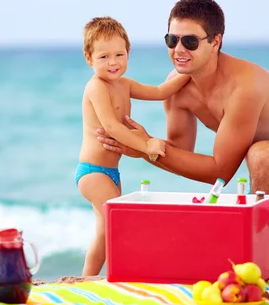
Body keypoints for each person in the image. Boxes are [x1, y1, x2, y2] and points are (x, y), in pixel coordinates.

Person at [96, 0, 269, 272]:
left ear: (215, 41)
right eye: (172, 40)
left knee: (262, 154)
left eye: (190, 42)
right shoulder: (176, 89)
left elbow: (220, 172)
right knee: (225, 259)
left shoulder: (244, 86)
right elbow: (180, 152)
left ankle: (264, 271)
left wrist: (148, 150)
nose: (178, 50)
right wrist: (145, 145)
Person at [77, 16, 191, 276]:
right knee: (120, 221)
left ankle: (86, 279)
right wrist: (147, 143)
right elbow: (113, 128)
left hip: (110, 173)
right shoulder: (96, 87)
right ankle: (132, 271)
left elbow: (161, 91)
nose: (113, 62)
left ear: (128, 53)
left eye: (119, 54)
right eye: (104, 57)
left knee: (105, 231)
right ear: (89, 58)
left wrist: (187, 74)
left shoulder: (125, 84)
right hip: (92, 172)